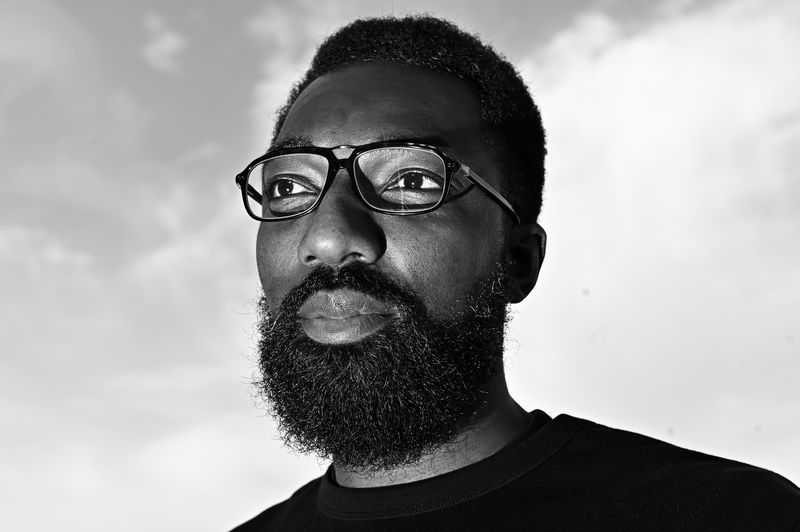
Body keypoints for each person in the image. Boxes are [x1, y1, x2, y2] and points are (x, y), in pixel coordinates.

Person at [230, 15, 800, 531]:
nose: (328, 237)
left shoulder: (733, 516)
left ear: (518, 259)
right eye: (289, 187)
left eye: (411, 181)